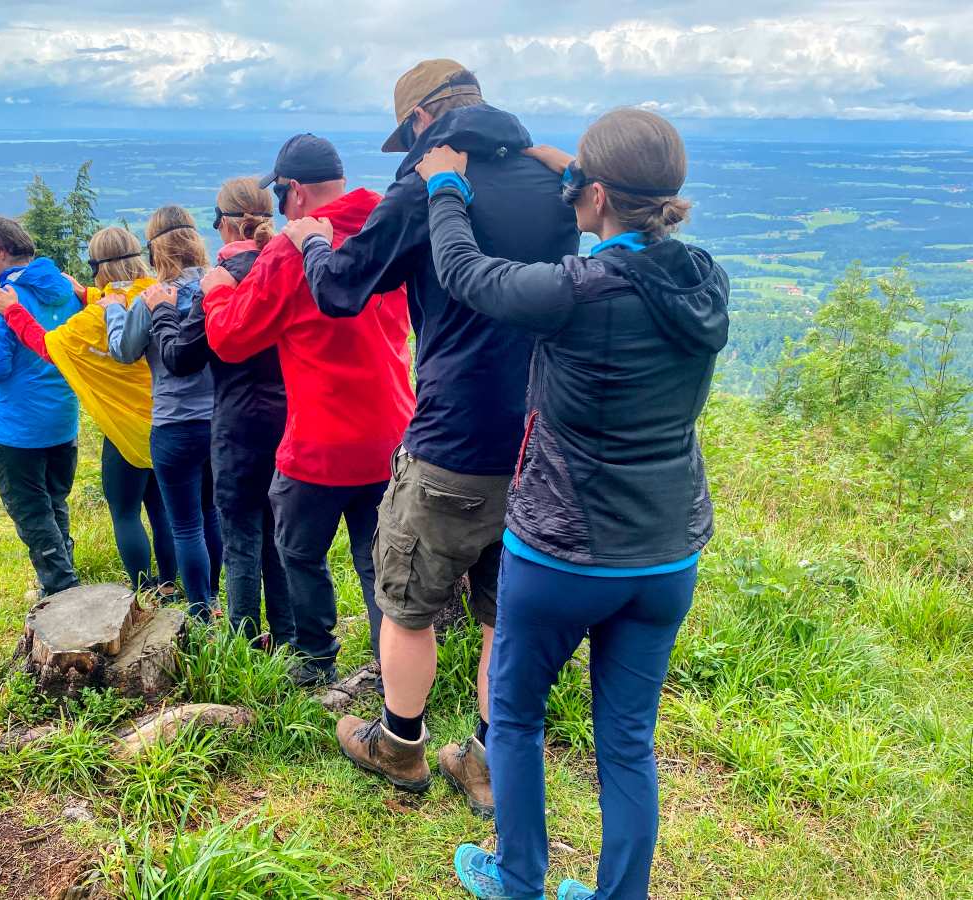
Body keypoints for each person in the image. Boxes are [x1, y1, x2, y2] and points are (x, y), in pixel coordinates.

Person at [415, 109, 730, 899]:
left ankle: (519, 878)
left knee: (516, 718)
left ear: (593, 197)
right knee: (628, 742)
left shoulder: (575, 291)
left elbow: (465, 273)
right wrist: (564, 167)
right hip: (666, 554)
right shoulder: (703, 280)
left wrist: (447, 187)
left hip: (562, 548)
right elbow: (621, 218)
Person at [280, 60, 580, 810]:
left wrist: (311, 240)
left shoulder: (425, 186)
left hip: (451, 437)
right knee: (502, 614)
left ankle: (400, 744)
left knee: (409, 604)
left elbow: (343, 287)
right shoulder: (555, 184)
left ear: (422, 121)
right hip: (540, 440)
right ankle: (484, 757)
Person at [201, 134, 415, 687]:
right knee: (376, 561)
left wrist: (217, 291)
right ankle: (392, 671)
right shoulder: (386, 227)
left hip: (319, 442)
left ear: (294, 192)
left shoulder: (291, 250)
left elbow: (230, 339)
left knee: (298, 551)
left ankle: (316, 660)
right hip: (394, 430)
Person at [0, 226, 178, 596]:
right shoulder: (154, 292)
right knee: (163, 509)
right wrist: (84, 293)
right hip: (169, 421)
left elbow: (47, 345)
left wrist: (13, 311)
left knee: (125, 512)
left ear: (97, 266)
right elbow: (119, 298)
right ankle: (171, 586)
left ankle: (142, 590)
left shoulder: (94, 319)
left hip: (124, 428)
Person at [154, 177, 295, 649]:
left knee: (240, 540)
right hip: (290, 422)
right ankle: (291, 639)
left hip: (236, 425)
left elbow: (180, 357)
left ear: (224, 227)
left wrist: (163, 312)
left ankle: (244, 643)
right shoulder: (290, 269)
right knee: (278, 537)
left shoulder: (221, 281)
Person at [106, 207, 222, 621]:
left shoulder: (151, 299)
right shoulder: (217, 288)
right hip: (217, 422)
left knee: (185, 525)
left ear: (155, 249)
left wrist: (113, 309)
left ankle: (199, 612)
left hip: (173, 425)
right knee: (211, 514)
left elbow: (123, 351)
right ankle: (214, 598)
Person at [0, 216, 83, 598]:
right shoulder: (69, 291)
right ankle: (60, 577)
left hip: (18, 425)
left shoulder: (3, 302)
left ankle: (62, 589)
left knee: (30, 509)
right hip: (63, 418)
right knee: (53, 500)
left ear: (1, 252)